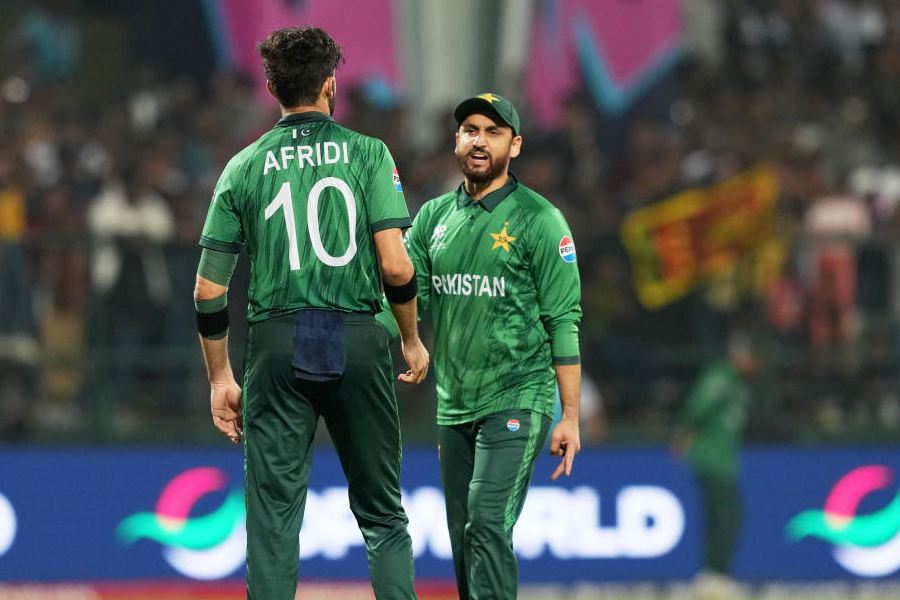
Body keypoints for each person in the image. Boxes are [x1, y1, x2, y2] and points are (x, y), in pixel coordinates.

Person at [193, 27, 429, 600]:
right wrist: (411, 338)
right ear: (331, 84)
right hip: (356, 337)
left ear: (272, 86)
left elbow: (207, 291)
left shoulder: (242, 167)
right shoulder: (370, 154)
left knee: (273, 525)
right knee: (382, 516)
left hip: (275, 345)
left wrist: (221, 377)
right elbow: (396, 268)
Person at [380, 93, 583, 599]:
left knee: (487, 523)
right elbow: (405, 299)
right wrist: (355, 332)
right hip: (453, 405)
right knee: (464, 537)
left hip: (518, 397)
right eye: (470, 128)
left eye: (492, 132)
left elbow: (564, 320)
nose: (478, 140)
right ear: (456, 140)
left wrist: (571, 414)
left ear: (514, 146)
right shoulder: (430, 219)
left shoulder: (540, 220)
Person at [671, 333, 758, 598]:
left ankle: (712, 576)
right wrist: (685, 432)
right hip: (712, 459)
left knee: (720, 517)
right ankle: (715, 576)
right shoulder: (721, 377)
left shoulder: (739, 385)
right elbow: (698, 407)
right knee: (728, 516)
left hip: (724, 459)